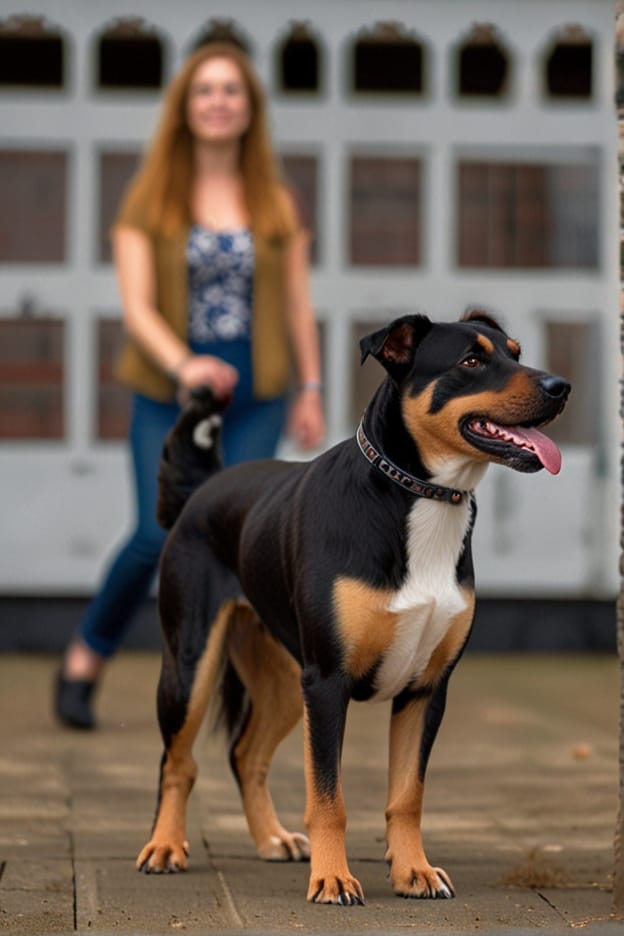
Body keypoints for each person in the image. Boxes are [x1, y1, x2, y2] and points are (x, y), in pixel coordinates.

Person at [54, 42, 325, 730]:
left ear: (248, 108)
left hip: (256, 395)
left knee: (246, 541)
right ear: (185, 106)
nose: (218, 102)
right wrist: (186, 366)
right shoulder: (149, 199)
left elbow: (296, 302)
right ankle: (86, 655)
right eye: (204, 90)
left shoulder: (277, 201)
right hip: (171, 394)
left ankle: (244, 689)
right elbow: (137, 306)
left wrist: (312, 388)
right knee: (156, 533)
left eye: (231, 90)